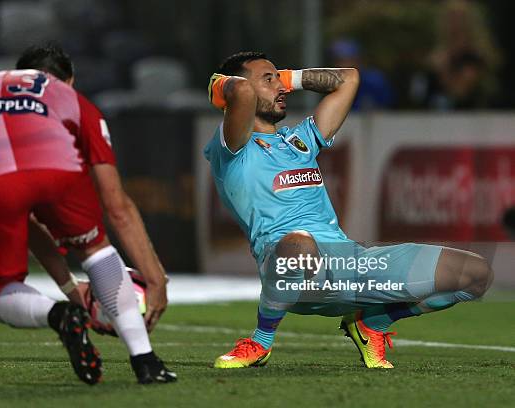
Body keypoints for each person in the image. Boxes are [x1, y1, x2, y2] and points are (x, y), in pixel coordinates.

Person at [205, 51, 493, 369]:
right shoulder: (233, 148)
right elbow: (241, 93)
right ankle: (261, 341)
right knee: (298, 244)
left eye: (280, 78)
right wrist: (224, 87)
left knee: (476, 275)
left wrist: (288, 78)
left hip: (349, 265)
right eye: (269, 79)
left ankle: (372, 323)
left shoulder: (298, 140)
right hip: (296, 278)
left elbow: (348, 79)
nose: (281, 87)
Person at [0, 44, 176, 384]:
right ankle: (145, 360)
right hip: (58, 170)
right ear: (69, 80)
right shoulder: (73, 100)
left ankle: (58, 316)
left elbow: (22, 212)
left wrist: (70, 294)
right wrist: (156, 279)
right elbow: (117, 207)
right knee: (96, 249)